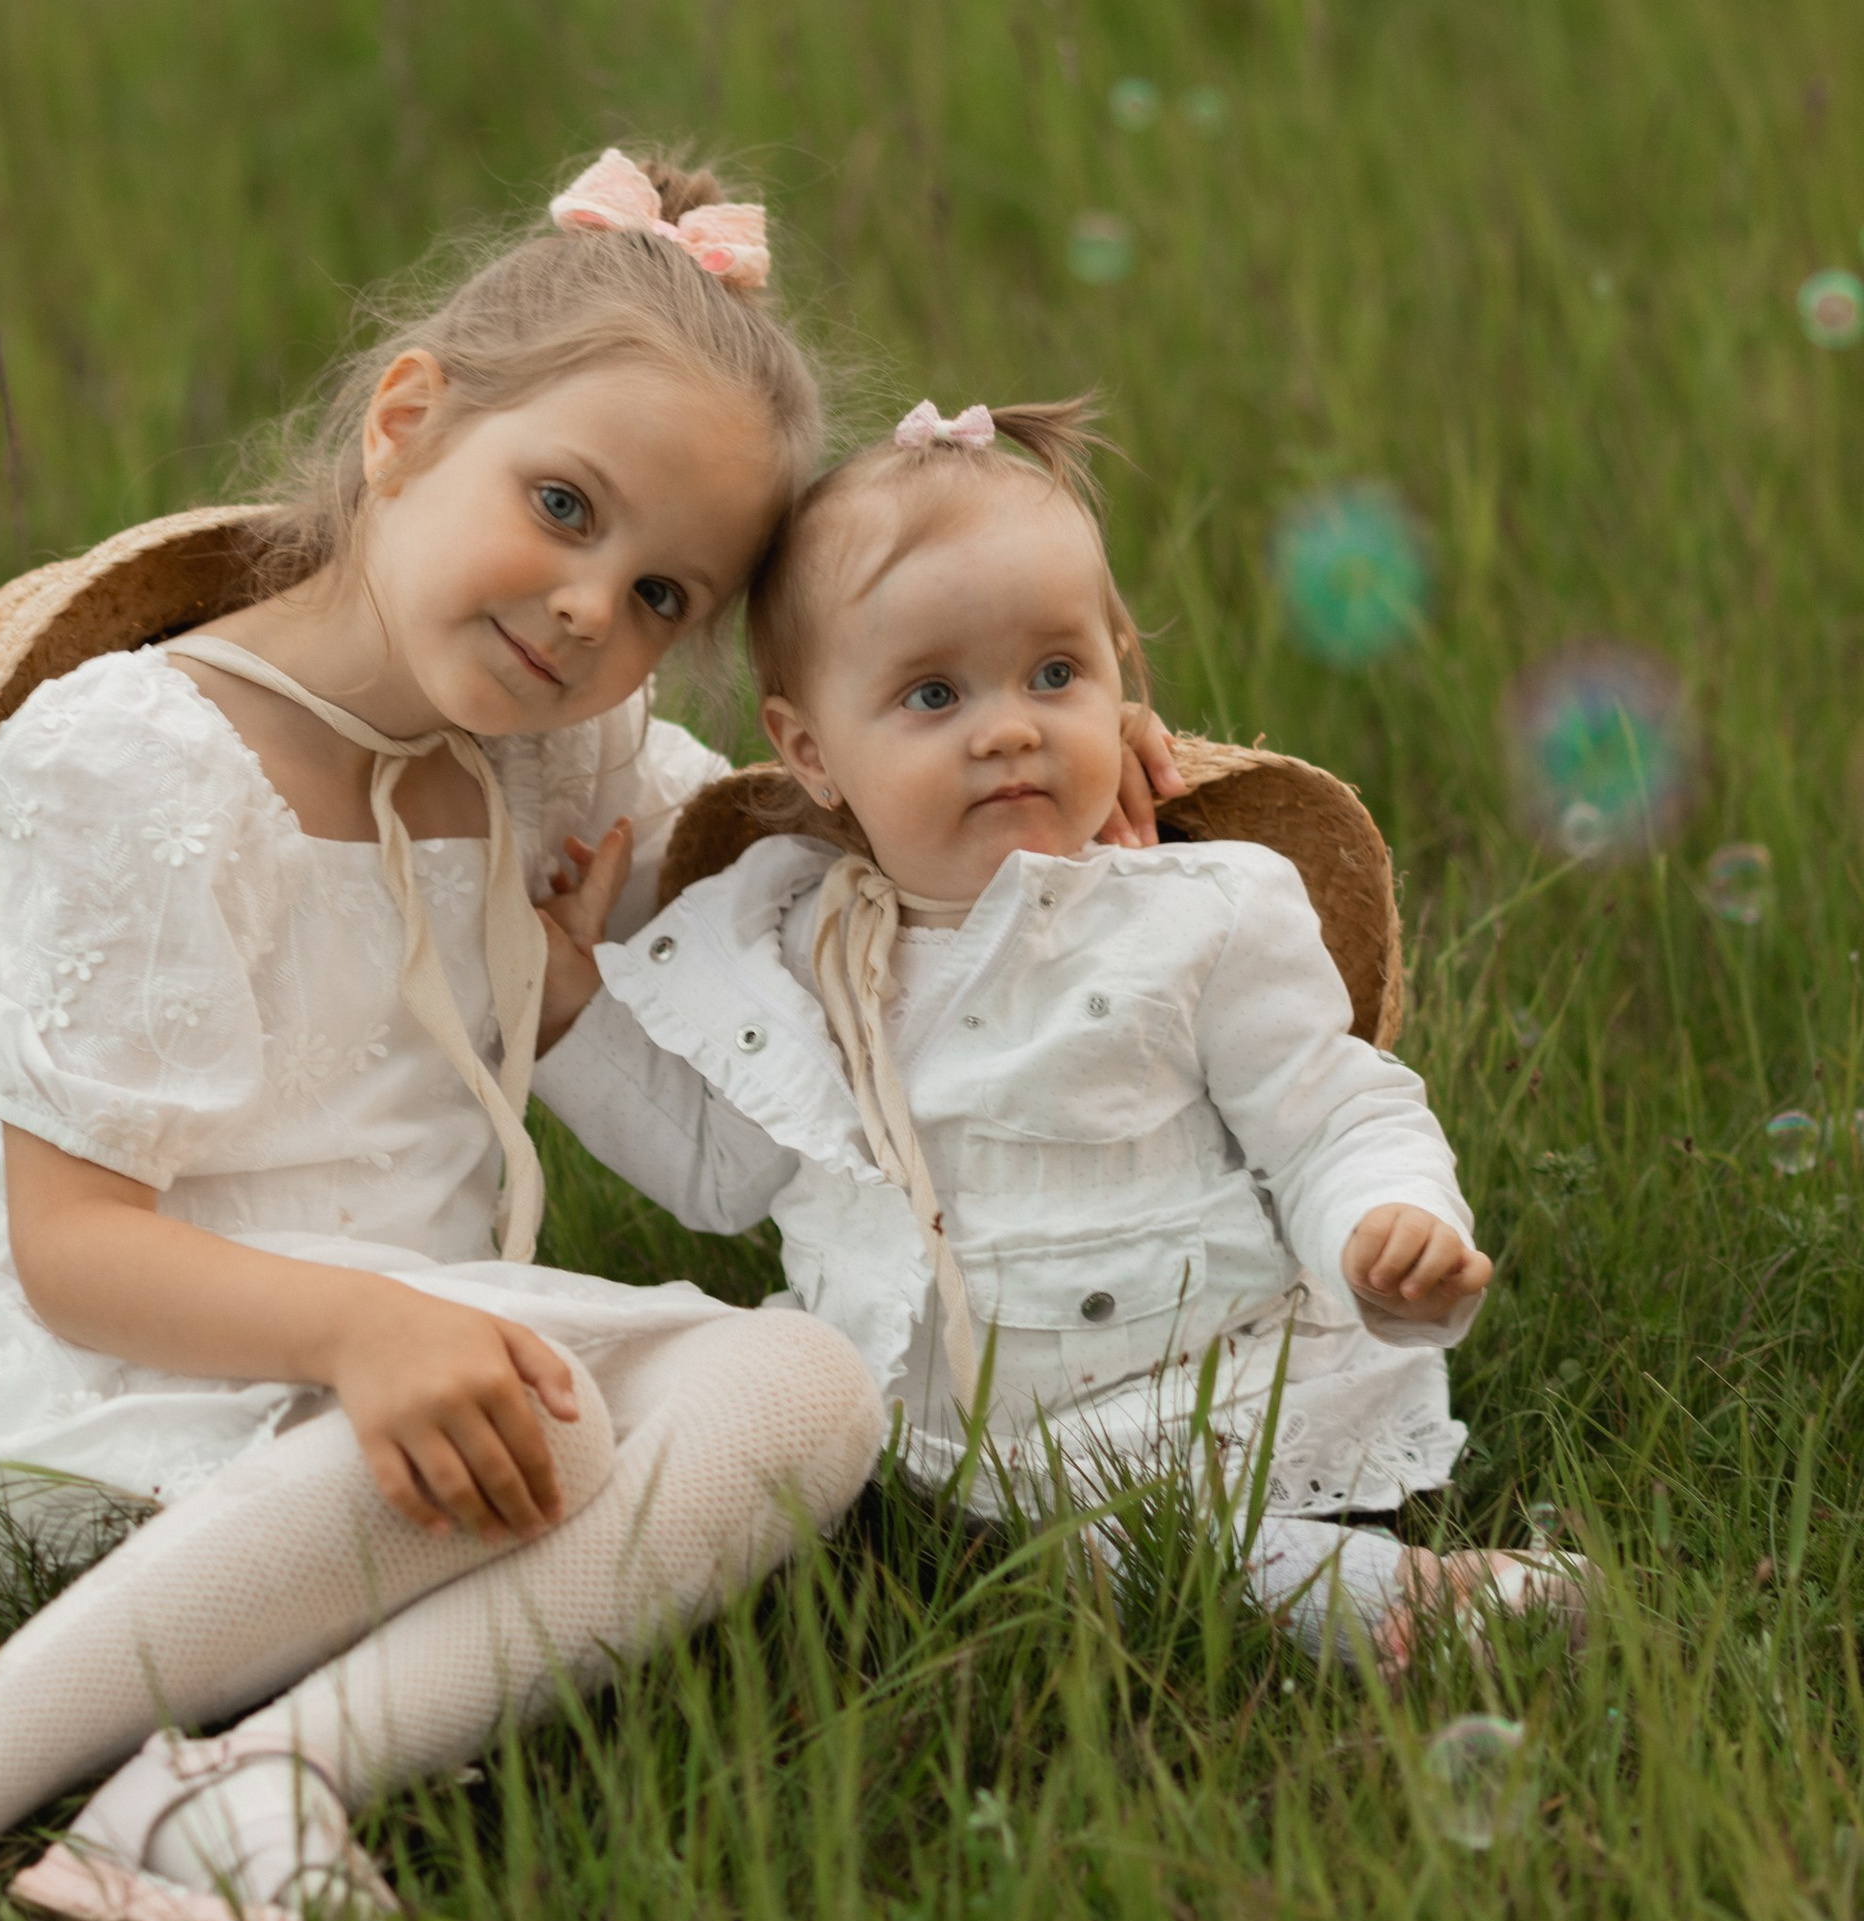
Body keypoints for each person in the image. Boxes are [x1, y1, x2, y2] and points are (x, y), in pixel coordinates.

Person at [0, 165, 1150, 1921]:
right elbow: (76, 1255)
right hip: (132, 1374)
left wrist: (1046, 752)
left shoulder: (553, 749)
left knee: (805, 1389)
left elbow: (828, 836)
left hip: (399, 1369)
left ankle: (251, 1782)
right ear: (410, 422)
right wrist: (367, 1332)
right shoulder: (144, 762)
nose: (588, 608)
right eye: (563, 508)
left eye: (661, 590)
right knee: (568, 1408)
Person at [531, 395, 1584, 1667]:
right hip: (922, 1435)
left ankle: (1423, 1597)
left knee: (1148, 1536)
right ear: (811, 749)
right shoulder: (785, 951)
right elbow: (718, 1169)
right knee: (811, 1480)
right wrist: (570, 1017)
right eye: (932, 693)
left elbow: (1329, 1109)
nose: (1011, 725)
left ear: (1121, 673)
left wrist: (1382, 1223)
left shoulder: (1197, 915)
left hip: (1191, 1398)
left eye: (1055, 674)